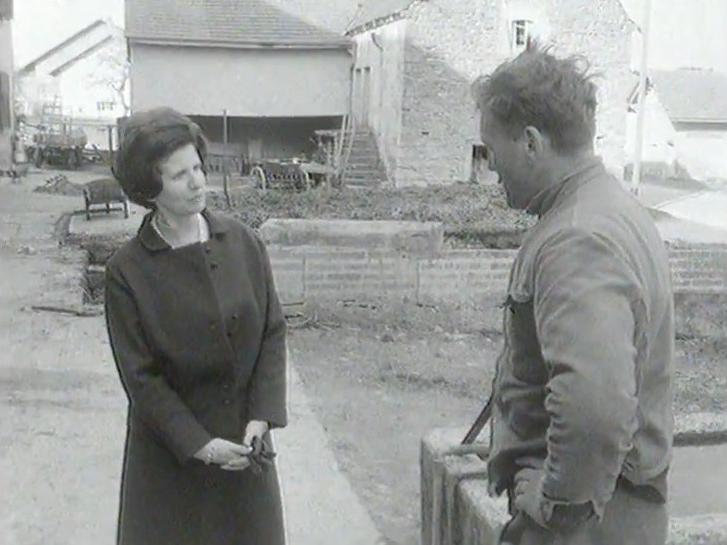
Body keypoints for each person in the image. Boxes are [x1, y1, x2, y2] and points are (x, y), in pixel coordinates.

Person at [472, 45, 674, 544]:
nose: (491, 167)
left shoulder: (576, 239)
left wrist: (557, 501)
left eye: (492, 150)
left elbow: (595, 405)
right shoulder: (609, 210)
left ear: (532, 143)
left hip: (584, 529)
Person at [105, 107, 287, 545]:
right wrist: (202, 446)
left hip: (246, 452)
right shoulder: (127, 271)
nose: (197, 182)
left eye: (198, 168)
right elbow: (142, 379)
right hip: (172, 463)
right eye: (178, 175)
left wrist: (261, 416)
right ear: (150, 188)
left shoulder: (244, 242)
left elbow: (272, 332)